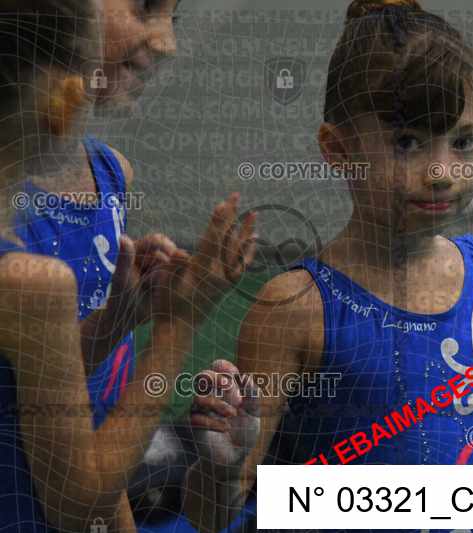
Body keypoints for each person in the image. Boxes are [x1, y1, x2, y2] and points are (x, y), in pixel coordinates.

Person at [179, 2, 473, 533]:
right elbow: (214, 514)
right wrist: (221, 469)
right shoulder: (296, 308)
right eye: (408, 143)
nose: (441, 172)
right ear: (337, 149)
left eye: (463, 141)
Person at [0, 1, 254, 530]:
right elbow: (79, 501)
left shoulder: (111, 176)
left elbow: (34, 387)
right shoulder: (29, 280)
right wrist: (178, 324)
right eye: (144, 5)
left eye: (173, 18)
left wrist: (115, 320)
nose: (167, 42)